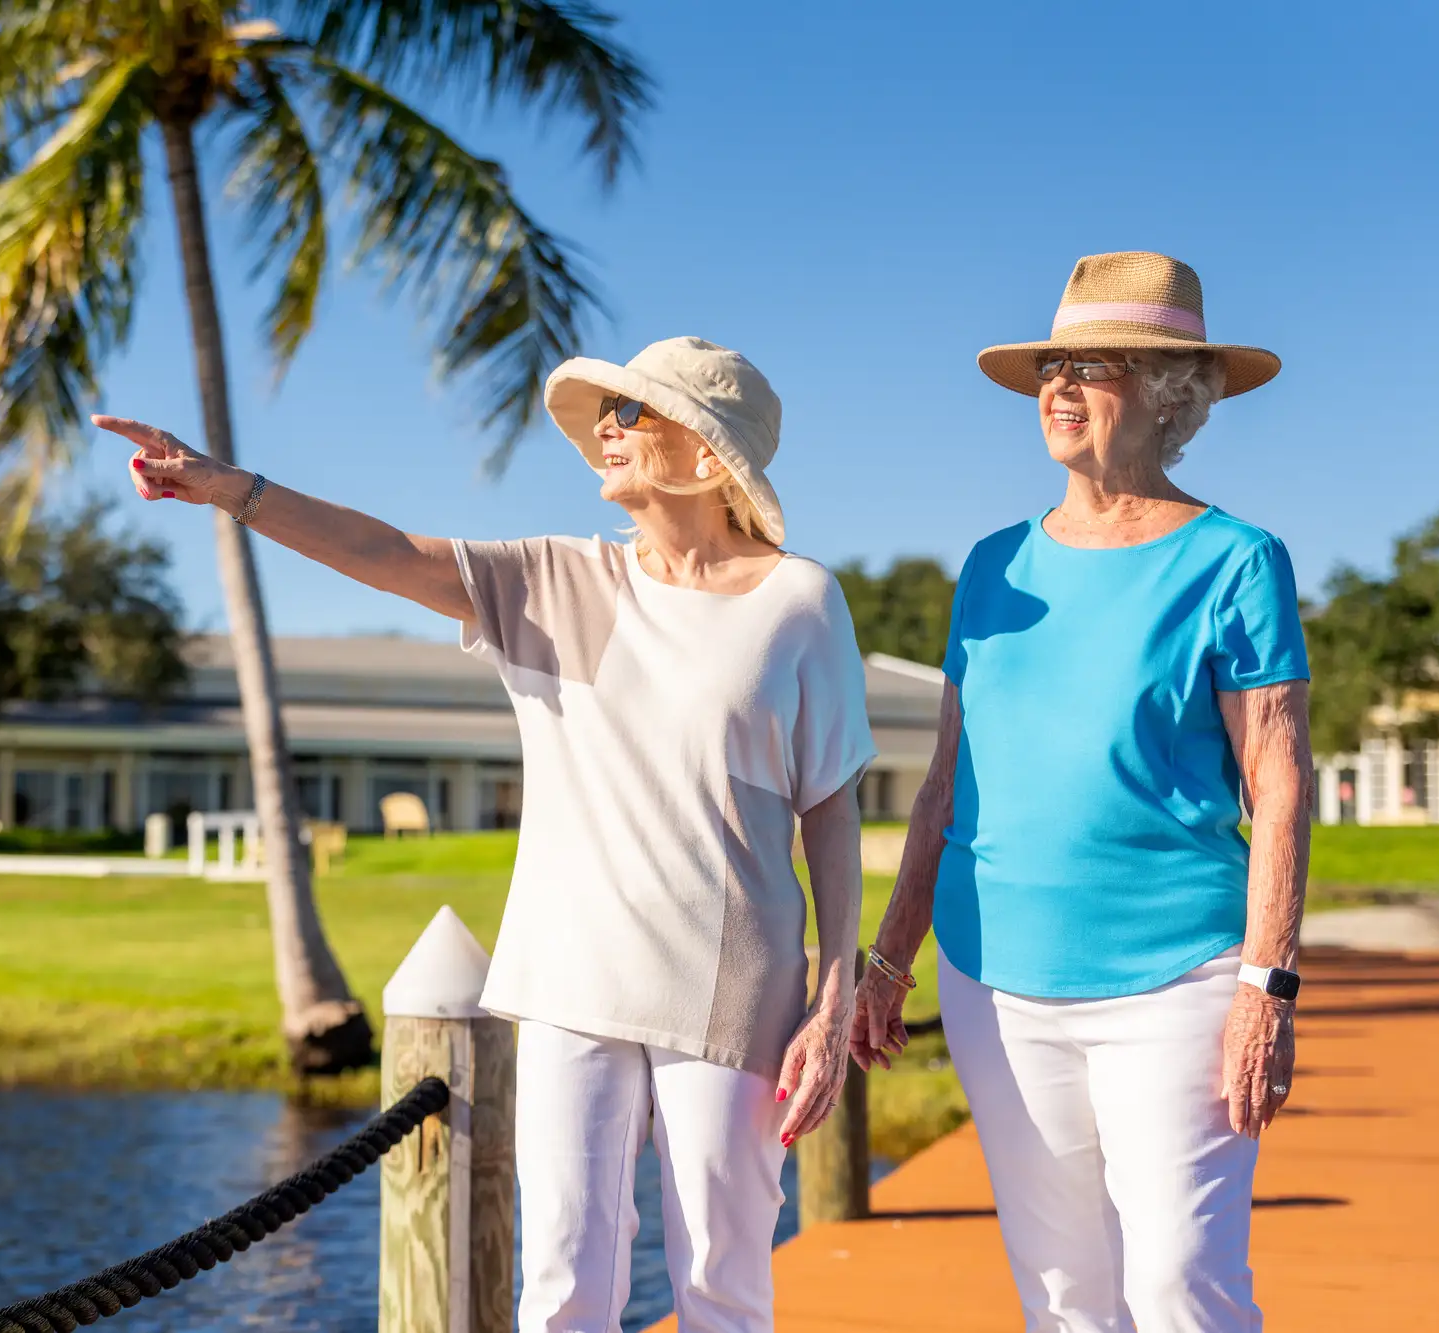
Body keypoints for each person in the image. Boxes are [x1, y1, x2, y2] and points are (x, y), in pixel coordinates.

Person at [95, 336, 876, 1333]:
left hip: (734, 989)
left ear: (705, 453)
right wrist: (226, 490)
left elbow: (829, 807)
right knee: (562, 1283)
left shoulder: (799, 603)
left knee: (723, 1283)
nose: (608, 428)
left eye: (634, 413)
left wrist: (831, 993)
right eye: (608, 411)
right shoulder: (553, 580)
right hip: (566, 982)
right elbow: (381, 553)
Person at [850, 253, 1312, 1331]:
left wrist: (1266, 987)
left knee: (1178, 1284)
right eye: (1051, 363)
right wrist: (887, 957)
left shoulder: (1235, 560)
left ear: (1170, 392)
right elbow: (941, 786)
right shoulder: (989, 566)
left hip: (1179, 978)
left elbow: (1278, 784)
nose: (1056, 386)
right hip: (993, 978)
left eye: (1091, 364)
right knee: (1059, 1293)